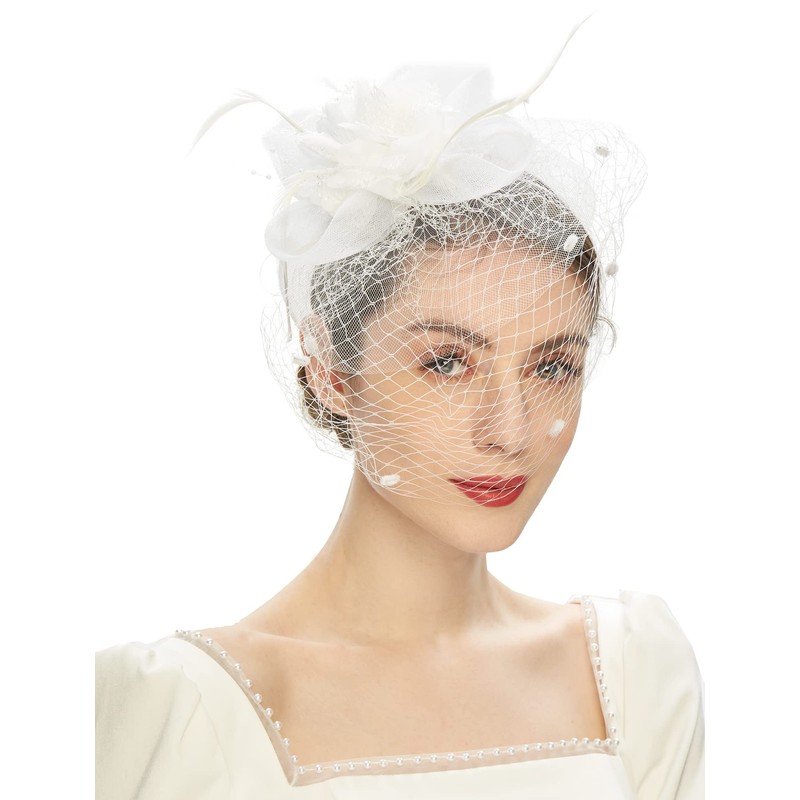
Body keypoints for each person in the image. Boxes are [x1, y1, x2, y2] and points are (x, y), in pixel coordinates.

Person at [95, 36, 704, 799]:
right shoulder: (175, 709)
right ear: (330, 369)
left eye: (552, 367)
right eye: (447, 362)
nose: (510, 431)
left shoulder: (634, 676)